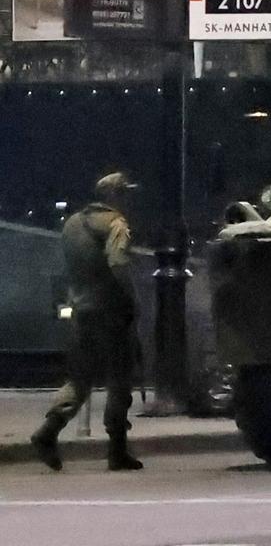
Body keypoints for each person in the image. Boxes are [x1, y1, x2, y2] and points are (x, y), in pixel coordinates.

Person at [31, 172, 144, 472]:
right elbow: (118, 262)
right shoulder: (116, 225)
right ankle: (117, 450)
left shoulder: (72, 224)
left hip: (81, 310)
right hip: (111, 314)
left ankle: (48, 431)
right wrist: (132, 299)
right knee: (119, 381)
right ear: (114, 196)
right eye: (125, 194)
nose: (129, 200)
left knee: (79, 379)